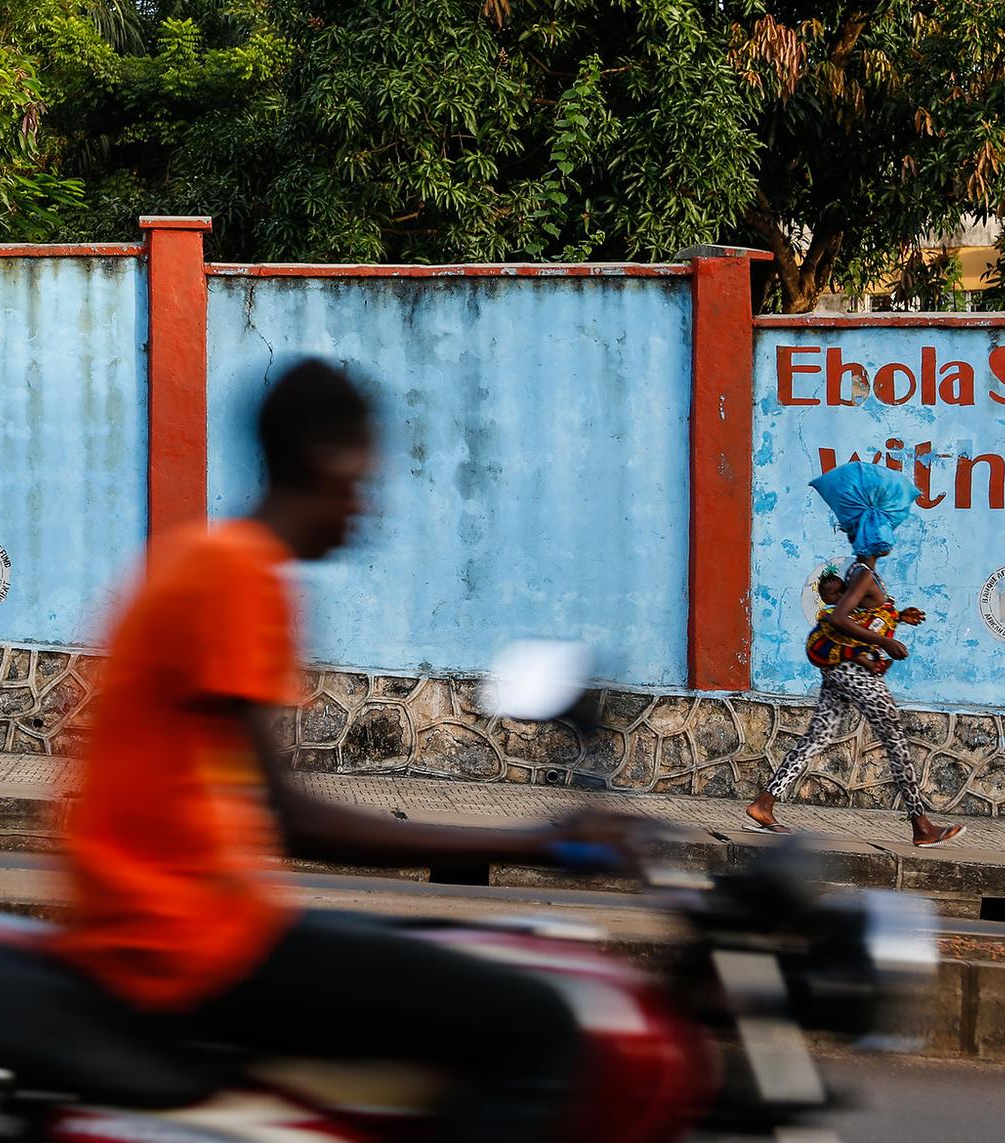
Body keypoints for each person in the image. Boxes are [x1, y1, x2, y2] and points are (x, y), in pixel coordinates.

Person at [54, 358, 631, 1141]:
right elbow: (295, 820)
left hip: (186, 920)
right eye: (368, 478)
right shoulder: (240, 577)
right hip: (186, 943)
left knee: (439, 956)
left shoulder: (207, 559)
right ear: (330, 461)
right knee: (538, 1021)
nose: (370, 507)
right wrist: (540, 839)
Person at [745, 464, 962, 848]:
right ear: (876, 530)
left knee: (819, 735)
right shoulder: (862, 573)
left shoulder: (862, 573)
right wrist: (886, 645)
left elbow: (864, 614)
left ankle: (764, 804)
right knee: (894, 737)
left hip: (840, 672)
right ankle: (922, 826)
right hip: (855, 672)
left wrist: (901, 617)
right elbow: (842, 619)